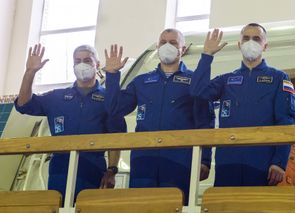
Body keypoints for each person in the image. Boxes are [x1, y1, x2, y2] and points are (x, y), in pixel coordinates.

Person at [103, 29, 212, 204]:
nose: (167, 46)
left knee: (176, 206)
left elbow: (205, 121)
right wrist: (112, 76)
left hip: (180, 161)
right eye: (163, 42)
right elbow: (114, 108)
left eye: (173, 42)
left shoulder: (194, 81)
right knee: (141, 206)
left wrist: (205, 159)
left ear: (183, 49)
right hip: (144, 160)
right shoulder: (141, 81)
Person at [190, 23, 295, 186]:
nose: (250, 42)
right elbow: (198, 92)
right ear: (239, 44)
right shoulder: (226, 80)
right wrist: (207, 55)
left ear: (265, 45)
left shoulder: (278, 78)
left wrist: (279, 162)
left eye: (256, 38)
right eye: (246, 38)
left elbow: (286, 122)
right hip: (227, 162)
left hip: (262, 164)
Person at [15, 44, 126, 200]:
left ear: (97, 64)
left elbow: (116, 136)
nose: (82, 64)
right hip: (60, 171)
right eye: (77, 61)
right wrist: (30, 73)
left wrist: (112, 170)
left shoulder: (109, 100)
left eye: (87, 60)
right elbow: (23, 104)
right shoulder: (57, 97)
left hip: (93, 172)